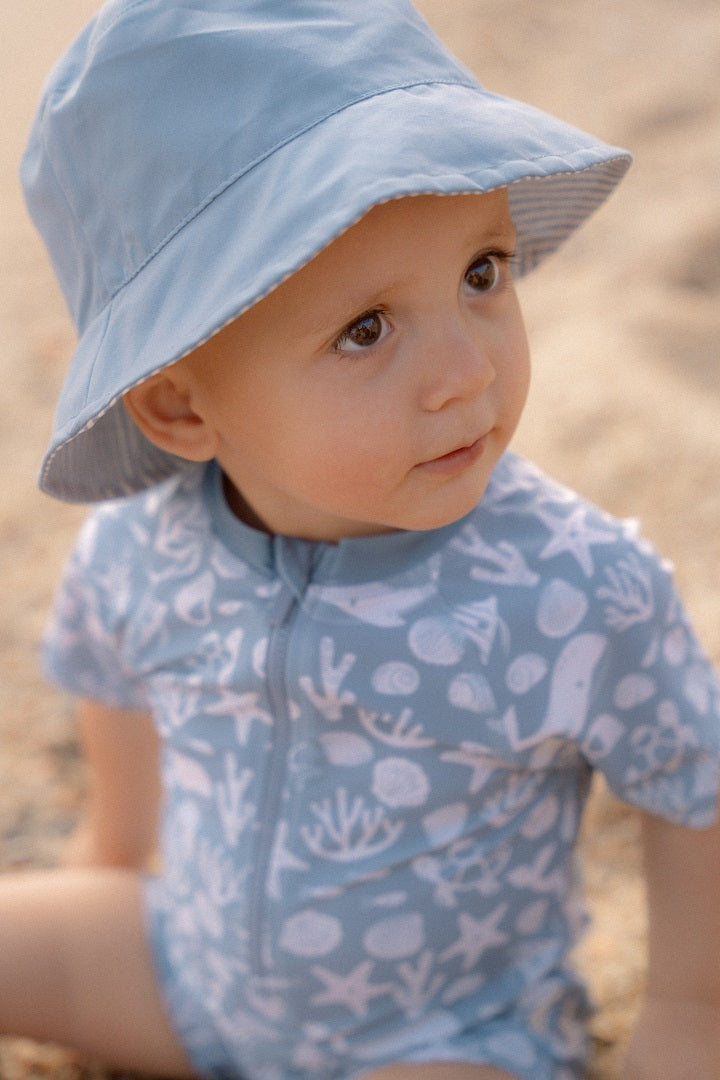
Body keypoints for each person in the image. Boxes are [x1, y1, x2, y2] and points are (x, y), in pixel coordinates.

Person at [3, 1, 719, 1078]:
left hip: (449, 1038)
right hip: (185, 973)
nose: (468, 374)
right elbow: (110, 674)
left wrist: (687, 1009)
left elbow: (691, 774)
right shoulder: (141, 552)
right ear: (182, 407)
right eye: (366, 330)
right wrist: (110, 851)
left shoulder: (573, 588)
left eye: (482, 273)